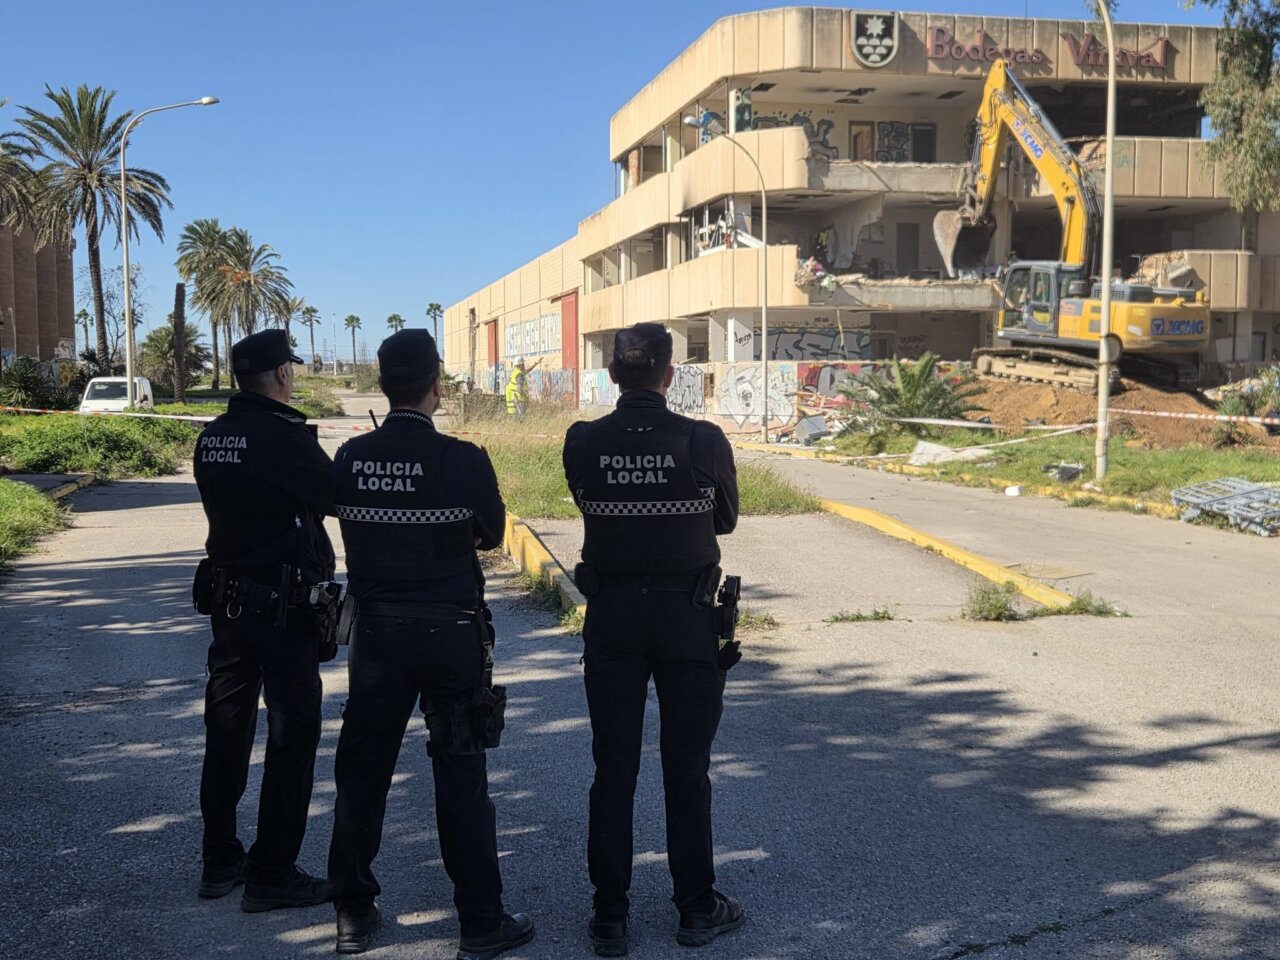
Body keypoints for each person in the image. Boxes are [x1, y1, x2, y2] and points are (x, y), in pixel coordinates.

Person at [327, 329, 534, 959]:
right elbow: (493, 535)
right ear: (436, 385)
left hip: (379, 637)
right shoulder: (464, 458)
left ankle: (353, 915)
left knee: (362, 774)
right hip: (451, 634)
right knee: (462, 772)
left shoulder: (352, 459)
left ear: (384, 385)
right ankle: (479, 922)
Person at [562, 323, 743, 957]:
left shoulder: (583, 442)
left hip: (611, 618)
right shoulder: (702, 439)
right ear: (670, 376)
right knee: (686, 769)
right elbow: (724, 518)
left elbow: (587, 501)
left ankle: (609, 917)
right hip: (686, 620)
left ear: (613, 375)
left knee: (613, 769)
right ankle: (695, 909)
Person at [192, 329, 334, 912]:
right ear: (281, 376)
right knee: (292, 735)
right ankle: (273, 871)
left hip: (228, 610)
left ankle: (220, 858)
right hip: (283, 611)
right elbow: (336, 496)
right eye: (291, 371)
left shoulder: (210, 438)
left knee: (226, 733)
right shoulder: (284, 438)